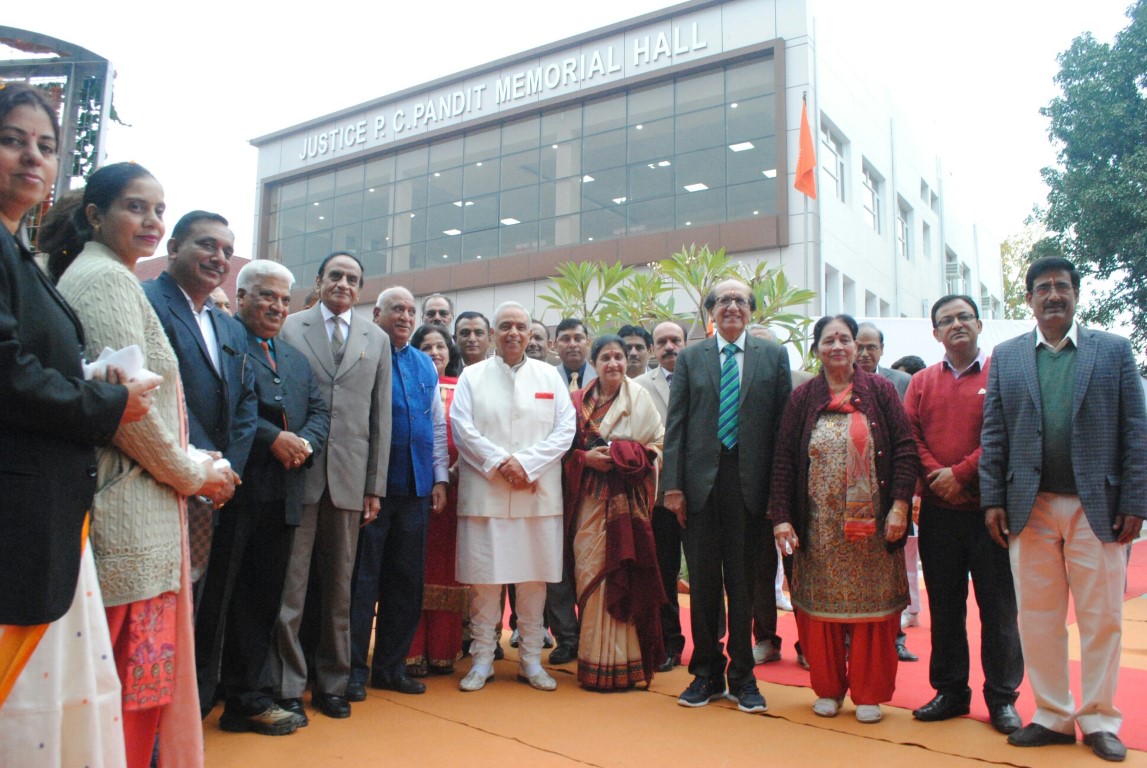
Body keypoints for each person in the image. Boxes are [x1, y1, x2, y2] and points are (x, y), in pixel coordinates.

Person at [51, 161, 234, 768]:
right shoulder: (105, 281)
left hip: (142, 517)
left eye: (158, 208)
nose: (152, 220)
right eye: (137, 207)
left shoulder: (111, 275)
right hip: (129, 523)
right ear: (96, 216)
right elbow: (128, 413)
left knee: (137, 696)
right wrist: (193, 473)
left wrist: (192, 461)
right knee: (128, 700)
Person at [0, 82, 154, 768]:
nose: (31, 157)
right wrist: (109, 406)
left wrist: (92, 382)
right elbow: (6, 377)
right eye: (11, 140)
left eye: (45, 145)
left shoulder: (20, 255)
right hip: (16, 520)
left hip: (49, 514)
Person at [981, 256, 1147, 762]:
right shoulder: (1006, 357)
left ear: (1076, 294)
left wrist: (1136, 501)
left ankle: (1098, 719)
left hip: (1098, 508)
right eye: (1042, 288)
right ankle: (1052, 715)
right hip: (1028, 508)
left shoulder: (1114, 351)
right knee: (1037, 617)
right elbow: (993, 434)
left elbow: (1136, 433)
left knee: (1102, 619)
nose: (1053, 295)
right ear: (1027, 300)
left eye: (1061, 286)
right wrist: (992, 498)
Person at [770, 314, 917, 724]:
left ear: (857, 347)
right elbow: (783, 460)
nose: (837, 346)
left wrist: (900, 505)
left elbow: (905, 450)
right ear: (817, 348)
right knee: (819, 612)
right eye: (828, 340)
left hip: (873, 528)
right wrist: (782, 517)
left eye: (845, 339)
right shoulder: (803, 398)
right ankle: (830, 689)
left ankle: (870, 692)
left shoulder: (882, 391)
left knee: (873, 614)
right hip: (817, 528)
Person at [269, 251, 392, 722]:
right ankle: (286, 684)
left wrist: (373, 485)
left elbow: (380, 417)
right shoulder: (290, 327)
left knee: (340, 591)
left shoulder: (375, 338)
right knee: (291, 590)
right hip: (297, 473)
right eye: (335, 275)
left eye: (353, 278)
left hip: (349, 479)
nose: (343, 283)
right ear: (318, 281)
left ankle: (333, 683)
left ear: (361, 289)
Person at [142, 210, 258, 714]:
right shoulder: (149, 303)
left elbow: (247, 401)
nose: (219, 258)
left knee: (204, 604)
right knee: (163, 611)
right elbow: (163, 394)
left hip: (217, 485)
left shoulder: (223, 322)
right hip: (164, 480)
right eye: (207, 245)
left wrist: (226, 465)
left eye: (227, 252)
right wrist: (204, 459)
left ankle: (190, 711)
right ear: (174, 247)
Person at [209, 261, 330, 736]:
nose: (277, 307)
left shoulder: (294, 358)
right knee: (219, 601)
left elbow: (318, 411)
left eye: (284, 299)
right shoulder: (224, 344)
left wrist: (304, 442)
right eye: (266, 296)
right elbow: (222, 409)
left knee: (261, 603)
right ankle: (203, 696)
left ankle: (247, 698)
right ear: (240, 298)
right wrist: (270, 439)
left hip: (284, 495)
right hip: (233, 493)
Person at [663, 279, 791, 715]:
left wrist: (780, 494)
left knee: (744, 585)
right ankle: (706, 674)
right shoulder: (691, 357)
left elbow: (781, 431)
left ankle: (743, 677)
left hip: (750, 487)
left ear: (751, 311)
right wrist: (673, 487)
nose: (732, 306)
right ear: (710, 313)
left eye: (740, 300)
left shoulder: (773, 356)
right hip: (700, 486)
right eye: (723, 300)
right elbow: (676, 424)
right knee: (702, 584)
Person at [905, 295, 1023, 734]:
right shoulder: (920, 382)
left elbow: (1006, 434)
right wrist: (939, 476)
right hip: (938, 515)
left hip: (990, 513)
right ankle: (951, 691)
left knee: (998, 609)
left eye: (963, 317)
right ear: (935, 333)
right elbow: (909, 436)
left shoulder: (1003, 374)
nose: (955, 324)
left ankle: (1002, 698)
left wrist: (961, 473)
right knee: (946, 607)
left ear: (978, 324)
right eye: (945, 320)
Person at [451, 302, 575, 692]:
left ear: (531, 333)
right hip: (486, 492)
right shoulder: (472, 376)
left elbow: (564, 430)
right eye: (504, 326)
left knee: (534, 583)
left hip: (536, 495)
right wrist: (501, 463)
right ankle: (482, 659)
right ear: (492, 334)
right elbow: (462, 427)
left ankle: (530, 662)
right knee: (484, 583)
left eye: (520, 326)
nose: (513, 333)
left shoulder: (550, 377)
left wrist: (525, 465)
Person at [346, 288, 447, 700]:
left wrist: (440, 478)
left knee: (406, 583)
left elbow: (437, 426)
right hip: (372, 490)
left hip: (417, 488)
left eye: (410, 310)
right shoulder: (362, 354)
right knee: (361, 583)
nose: (405, 316)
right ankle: (351, 671)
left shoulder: (425, 363)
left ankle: (390, 668)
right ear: (376, 314)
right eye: (397, 309)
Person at [564, 334, 665, 690]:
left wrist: (629, 456)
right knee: (590, 574)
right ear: (594, 362)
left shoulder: (639, 398)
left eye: (619, 357)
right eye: (606, 357)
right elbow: (560, 451)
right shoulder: (575, 402)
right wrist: (585, 458)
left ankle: (626, 664)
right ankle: (593, 662)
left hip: (626, 503)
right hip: (588, 501)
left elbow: (658, 444)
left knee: (623, 571)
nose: (614, 364)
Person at [746, 323, 813, 666]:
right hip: (752, 494)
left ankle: (810, 643)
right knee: (759, 571)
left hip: (798, 496)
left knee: (800, 569)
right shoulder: (736, 383)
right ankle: (766, 639)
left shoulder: (805, 385)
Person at [405, 324, 468, 676]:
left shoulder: (465, 388)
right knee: (413, 566)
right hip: (414, 487)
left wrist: (456, 470)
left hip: (456, 490)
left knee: (447, 568)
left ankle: (444, 650)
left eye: (440, 346)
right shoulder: (409, 384)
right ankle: (411, 651)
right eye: (426, 346)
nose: (434, 353)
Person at [855, 321, 919, 661]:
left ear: (882, 349)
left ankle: (895, 638)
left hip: (890, 489)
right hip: (851, 493)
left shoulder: (902, 383)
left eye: (871, 347)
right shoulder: (839, 382)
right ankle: (852, 639)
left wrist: (903, 496)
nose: (864, 354)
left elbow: (907, 440)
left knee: (892, 570)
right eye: (859, 347)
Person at [634, 320, 687, 672]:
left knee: (710, 573)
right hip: (658, 494)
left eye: (675, 340)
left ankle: (712, 646)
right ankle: (670, 643)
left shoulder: (706, 377)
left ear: (686, 343)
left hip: (701, 491)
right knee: (664, 571)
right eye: (662, 342)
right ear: (653, 349)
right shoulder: (638, 387)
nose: (669, 346)